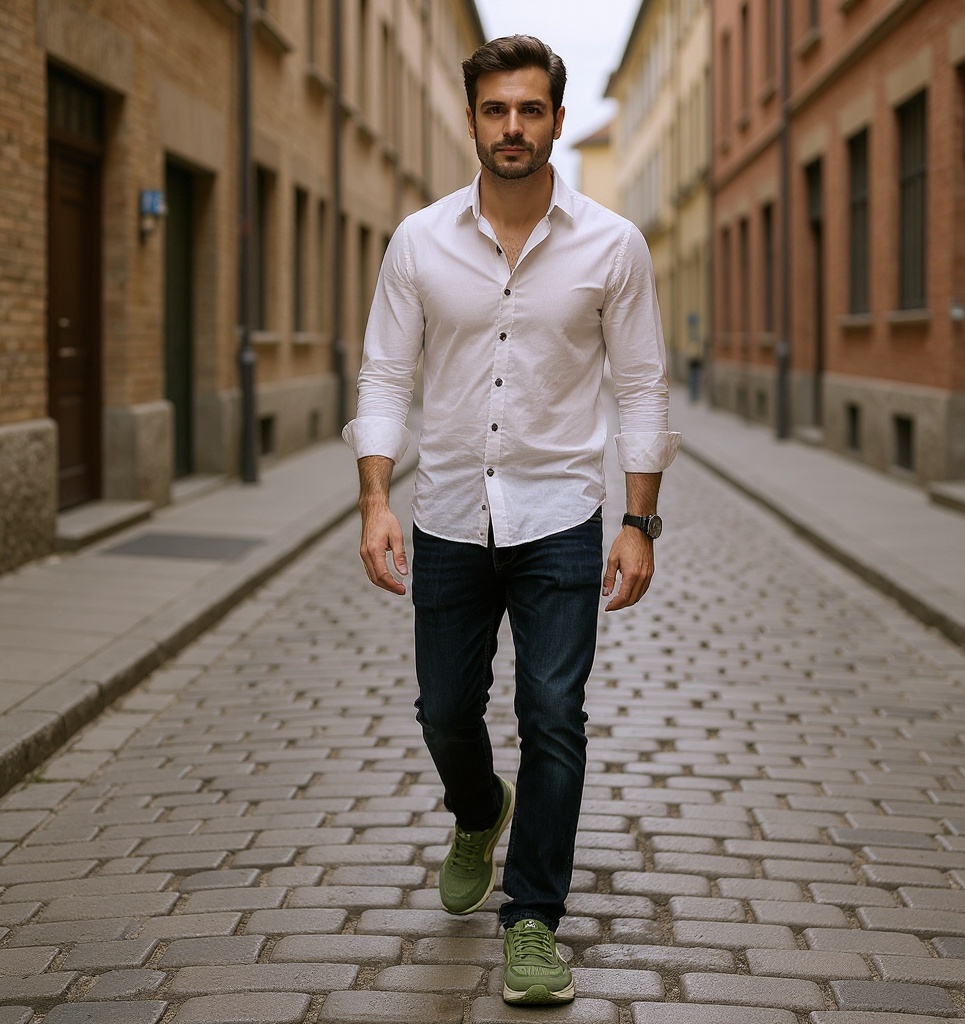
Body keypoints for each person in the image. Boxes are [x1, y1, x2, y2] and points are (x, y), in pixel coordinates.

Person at [343, 34, 679, 1006]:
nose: (513, 128)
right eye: (496, 111)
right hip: (445, 510)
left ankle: (531, 919)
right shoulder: (419, 240)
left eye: (530, 110)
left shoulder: (612, 245)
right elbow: (384, 374)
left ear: (558, 122)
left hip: (562, 517)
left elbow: (643, 385)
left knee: (553, 719)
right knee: (444, 710)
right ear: (473, 120)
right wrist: (375, 500)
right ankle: (477, 808)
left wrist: (637, 522)